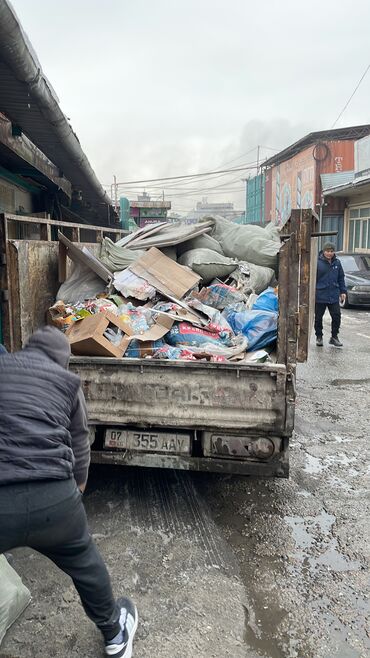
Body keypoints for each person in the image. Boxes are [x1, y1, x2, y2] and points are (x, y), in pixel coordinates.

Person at [0, 326, 138, 657]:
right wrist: (77, 487)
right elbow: (80, 440)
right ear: (63, 360)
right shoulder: (67, 383)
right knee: (84, 562)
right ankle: (114, 633)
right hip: (56, 499)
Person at [314, 242, 346, 348]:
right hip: (320, 295)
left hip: (333, 295)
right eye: (327, 251)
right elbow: (312, 279)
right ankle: (319, 337)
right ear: (323, 251)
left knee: (336, 316)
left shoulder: (337, 263)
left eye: (332, 251)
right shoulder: (317, 262)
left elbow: (341, 278)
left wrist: (343, 292)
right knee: (318, 317)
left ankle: (334, 337)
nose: (330, 253)